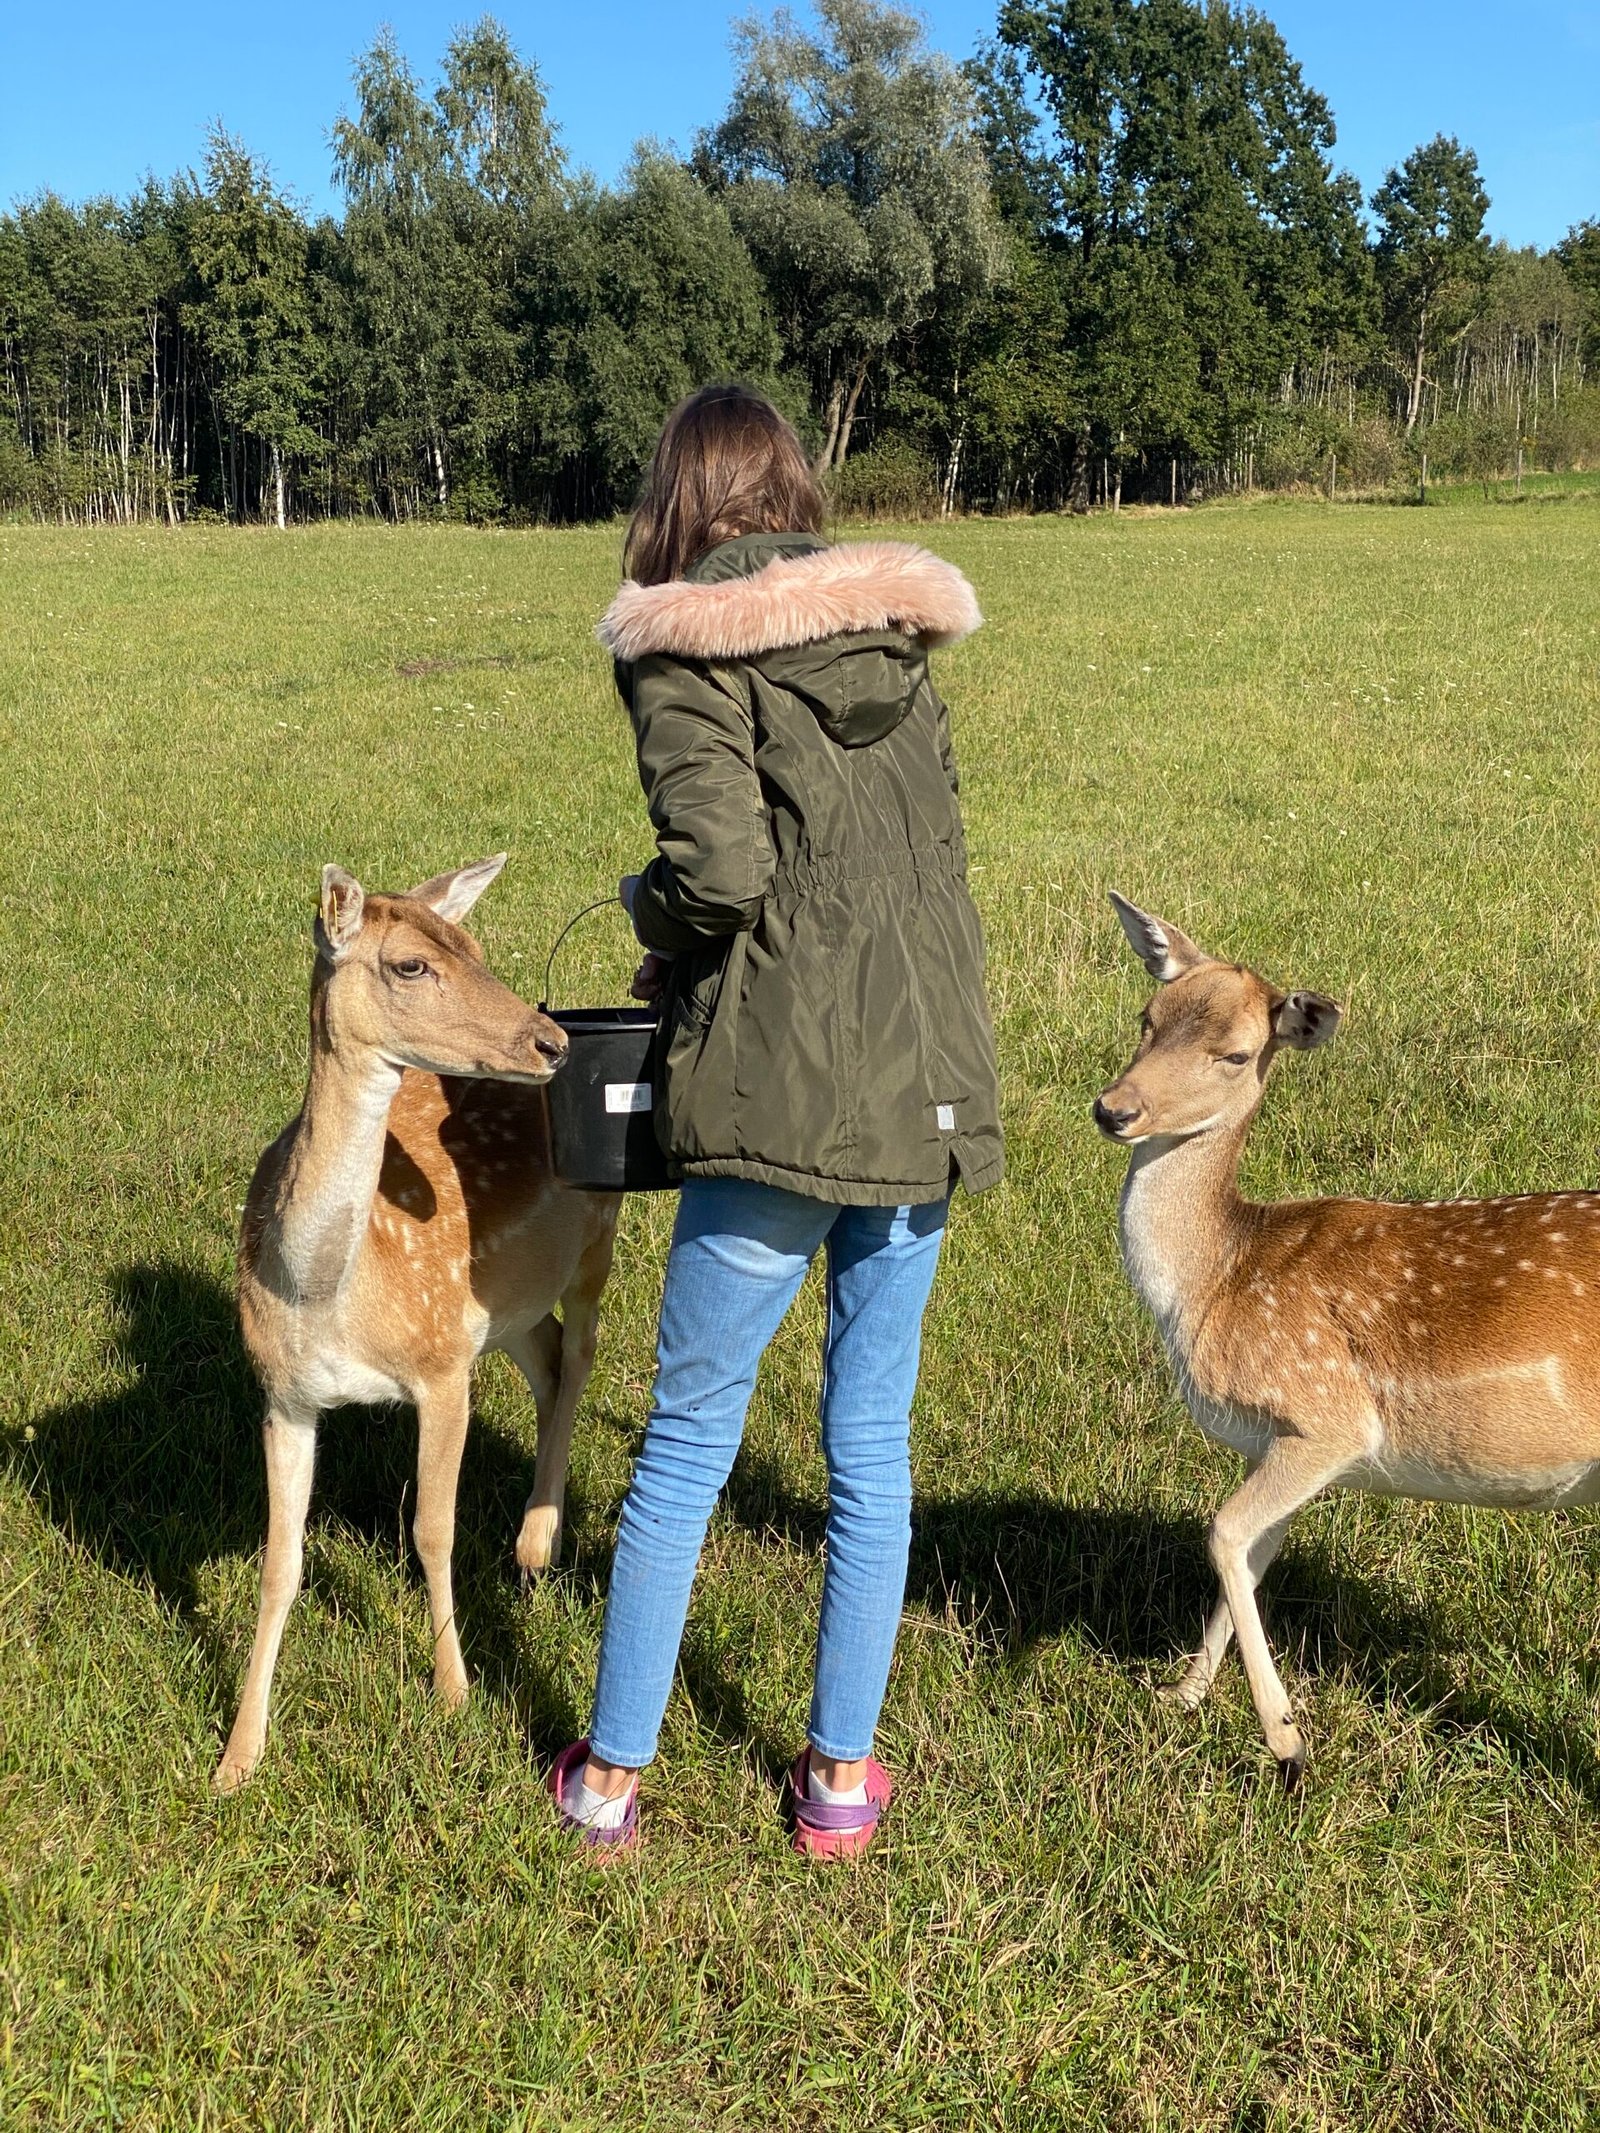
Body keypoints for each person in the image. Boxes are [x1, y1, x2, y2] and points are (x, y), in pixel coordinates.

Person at [549, 383, 1003, 1858]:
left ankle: (613, 1776)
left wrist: (644, 914)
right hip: (929, 1092)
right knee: (872, 1442)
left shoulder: (682, 643)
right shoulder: (893, 640)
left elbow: (722, 869)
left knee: (685, 1443)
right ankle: (840, 1784)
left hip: (778, 1100)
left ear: (674, 502)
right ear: (795, 494)